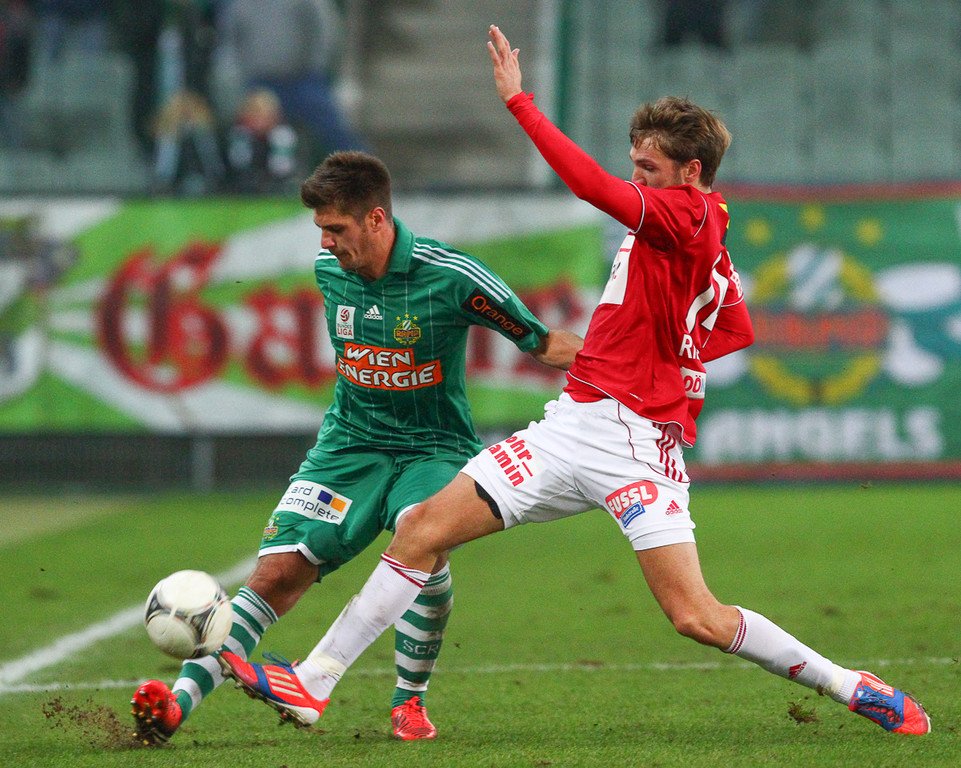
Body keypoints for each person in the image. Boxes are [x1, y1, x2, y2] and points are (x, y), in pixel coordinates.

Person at [218, 25, 931, 738]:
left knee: (696, 617)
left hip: (632, 441)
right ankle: (314, 682)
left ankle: (850, 684)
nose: (635, 179)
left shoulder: (683, 215)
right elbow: (735, 327)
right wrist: (666, 355)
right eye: (633, 165)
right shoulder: (704, 225)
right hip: (573, 424)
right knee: (422, 529)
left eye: (648, 168)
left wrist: (520, 103)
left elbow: (588, 186)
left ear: (690, 172)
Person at [130, 149, 584, 744]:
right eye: (320, 229)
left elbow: (545, 344)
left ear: (376, 219)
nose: (325, 243)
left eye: (336, 228)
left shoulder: (453, 276)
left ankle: (408, 701)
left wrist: (636, 368)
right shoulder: (330, 270)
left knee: (420, 533)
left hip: (433, 446)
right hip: (348, 445)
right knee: (275, 574)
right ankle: (175, 707)